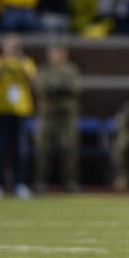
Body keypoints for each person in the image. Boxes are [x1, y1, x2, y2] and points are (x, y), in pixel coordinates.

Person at [0, 34, 35, 199]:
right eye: (7, 45)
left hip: (21, 111)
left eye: (13, 46)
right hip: (1, 110)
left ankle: (20, 185)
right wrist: (4, 64)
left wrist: (20, 62)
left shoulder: (26, 62)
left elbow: (32, 80)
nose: (10, 49)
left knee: (20, 150)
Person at [34, 44, 81, 193]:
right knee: (42, 151)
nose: (55, 56)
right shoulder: (44, 70)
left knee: (69, 150)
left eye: (58, 53)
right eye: (52, 53)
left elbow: (75, 88)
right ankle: (40, 183)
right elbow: (41, 87)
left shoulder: (71, 70)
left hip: (66, 118)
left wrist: (55, 87)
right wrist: (60, 87)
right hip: (48, 116)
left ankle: (70, 182)